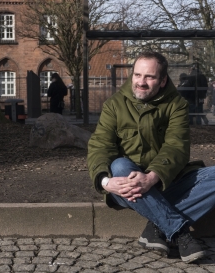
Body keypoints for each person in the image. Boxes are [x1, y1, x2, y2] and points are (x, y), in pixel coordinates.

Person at [87, 51, 215, 264]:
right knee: (119, 164)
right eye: (137, 75)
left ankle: (157, 227)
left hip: (164, 181)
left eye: (150, 77)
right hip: (126, 187)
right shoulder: (114, 105)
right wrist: (106, 182)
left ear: (163, 80)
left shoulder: (177, 105)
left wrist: (152, 177)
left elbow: (176, 147)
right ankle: (179, 232)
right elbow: (100, 146)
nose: (141, 82)